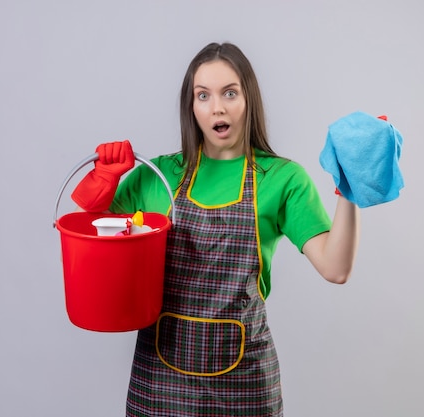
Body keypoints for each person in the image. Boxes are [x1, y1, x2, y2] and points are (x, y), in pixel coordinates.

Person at [71, 42, 360, 417]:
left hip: (245, 386)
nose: (217, 107)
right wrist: (102, 182)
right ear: (191, 107)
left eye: (230, 93)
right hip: (160, 380)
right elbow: (90, 240)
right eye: (203, 95)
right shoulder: (158, 176)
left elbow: (335, 268)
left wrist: (348, 193)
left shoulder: (282, 179)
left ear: (248, 99)